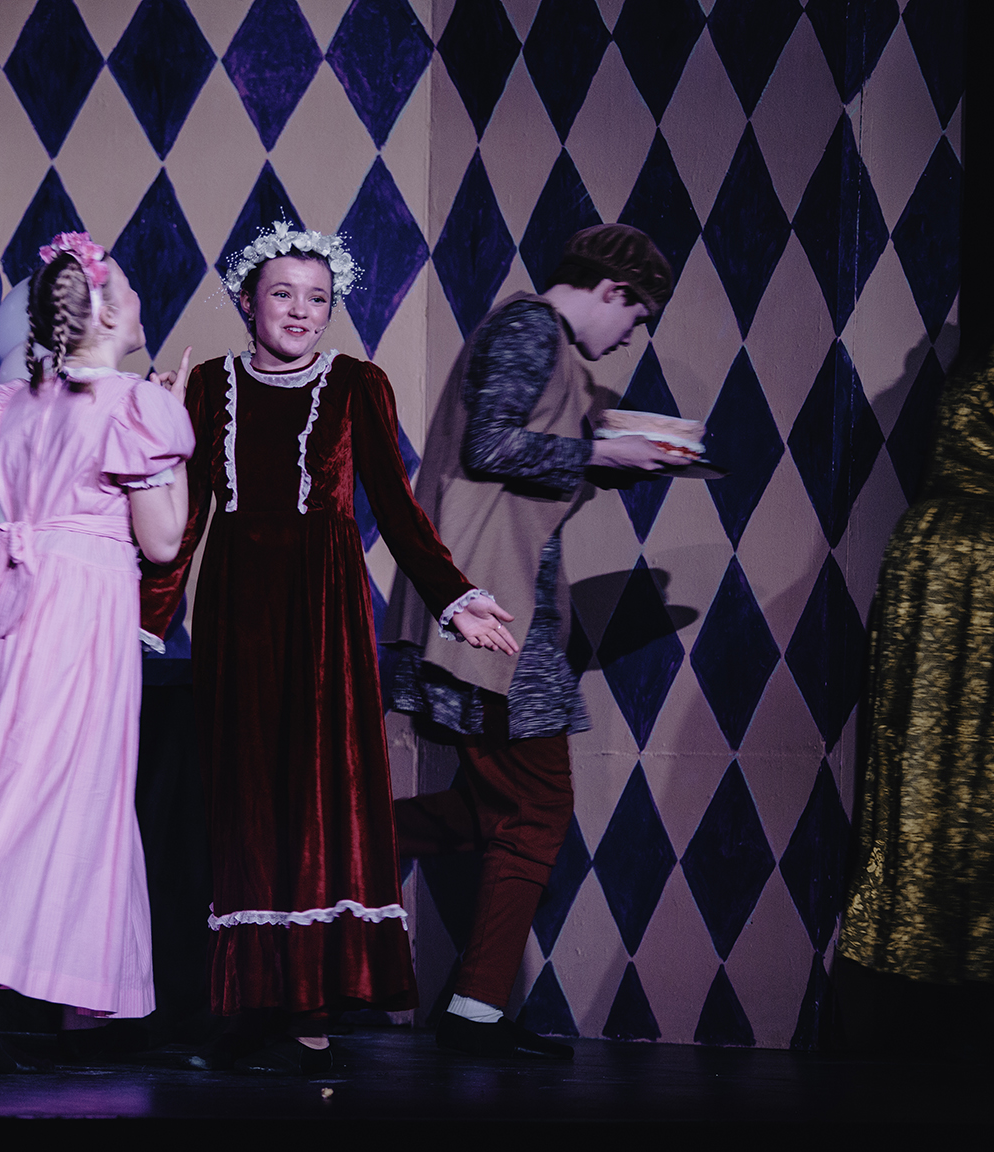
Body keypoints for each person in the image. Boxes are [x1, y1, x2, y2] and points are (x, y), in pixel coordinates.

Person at [140, 223, 517, 1073]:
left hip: (321, 612)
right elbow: (185, 516)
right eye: (283, 294)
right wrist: (146, 616)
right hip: (238, 605)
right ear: (248, 302)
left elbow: (398, 505)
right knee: (244, 799)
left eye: (318, 297)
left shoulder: (356, 384)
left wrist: (455, 596)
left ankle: (310, 1012)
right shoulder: (209, 384)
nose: (301, 311)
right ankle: (250, 1004)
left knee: (312, 801)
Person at [384, 224, 678, 1060]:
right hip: (491, 614)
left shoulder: (549, 347)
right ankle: (474, 1012)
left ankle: (332, 845)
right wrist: (599, 450)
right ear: (614, 291)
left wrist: (607, 457)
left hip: (505, 609)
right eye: (636, 317)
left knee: (483, 813)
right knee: (539, 809)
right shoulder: (528, 327)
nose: (628, 336)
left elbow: (519, 460)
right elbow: (492, 445)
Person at [0, 232, 194, 1072]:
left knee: (48, 792)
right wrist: (171, 442)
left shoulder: (13, 402)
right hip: (83, 607)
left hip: (15, 607)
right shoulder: (135, 406)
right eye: (129, 289)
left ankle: (86, 997)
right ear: (110, 313)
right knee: (49, 797)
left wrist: (18, 575)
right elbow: (163, 542)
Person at [839, 354, 993, 1015]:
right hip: (976, 561)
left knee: (924, 761)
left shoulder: (974, 365)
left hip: (934, 552)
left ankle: (915, 945)